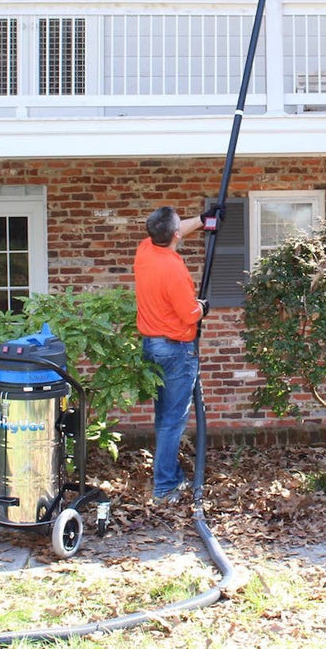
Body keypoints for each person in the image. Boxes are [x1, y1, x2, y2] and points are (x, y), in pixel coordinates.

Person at [134, 205, 208, 502]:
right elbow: (190, 314)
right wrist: (203, 306)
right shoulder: (174, 269)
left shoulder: (144, 250)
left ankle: (169, 476)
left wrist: (203, 221)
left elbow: (177, 228)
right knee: (172, 420)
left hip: (152, 346)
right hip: (176, 350)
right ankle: (165, 486)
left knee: (164, 415)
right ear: (175, 234)